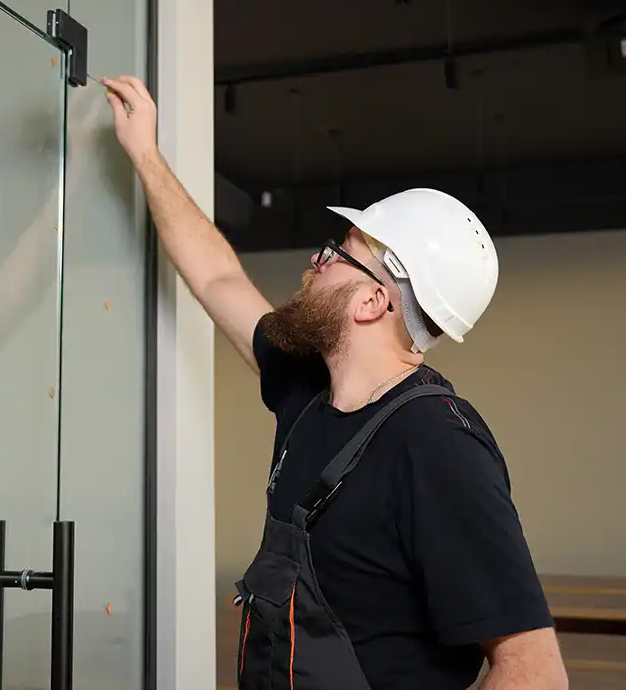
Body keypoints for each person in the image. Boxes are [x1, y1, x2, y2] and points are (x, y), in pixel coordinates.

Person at [101, 75, 568, 690]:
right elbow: (219, 281)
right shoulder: (309, 388)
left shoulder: (437, 444)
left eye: (337, 253)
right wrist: (146, 155)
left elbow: (533, 672)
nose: (314, 262)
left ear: (374, 300)